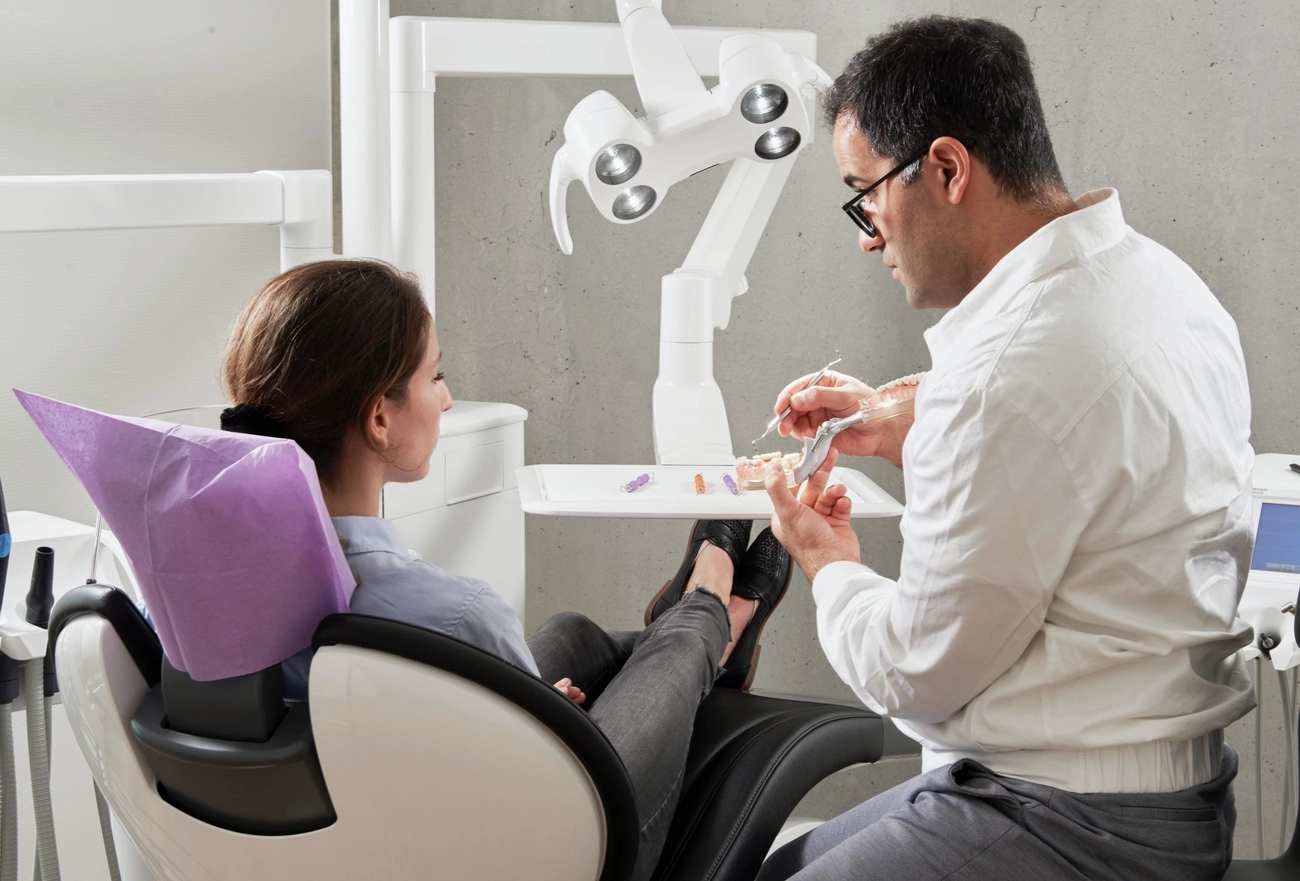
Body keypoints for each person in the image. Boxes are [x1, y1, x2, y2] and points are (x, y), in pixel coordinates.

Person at [756, 16, 1254, 881]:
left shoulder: (1001, 381)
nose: (868, 234)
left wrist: (827, 561)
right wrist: (924, 423)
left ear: (946, 169)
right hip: (1179, 794)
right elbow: (1085, 481)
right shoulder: (1167, 286)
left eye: (865, 193)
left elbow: (915, 676)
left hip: (1074, 821)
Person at [216, 257, 798, 881]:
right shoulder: (454, 613)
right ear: (379, 419)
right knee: (676, 647)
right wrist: (537, 727)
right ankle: (712, 611)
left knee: (573, 635)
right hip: (547, 854)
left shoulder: (203, 596)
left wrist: (518, 717)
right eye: (434, 376)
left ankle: (700, 623)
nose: (445, 398)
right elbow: (544, 777)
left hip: (374, 829)